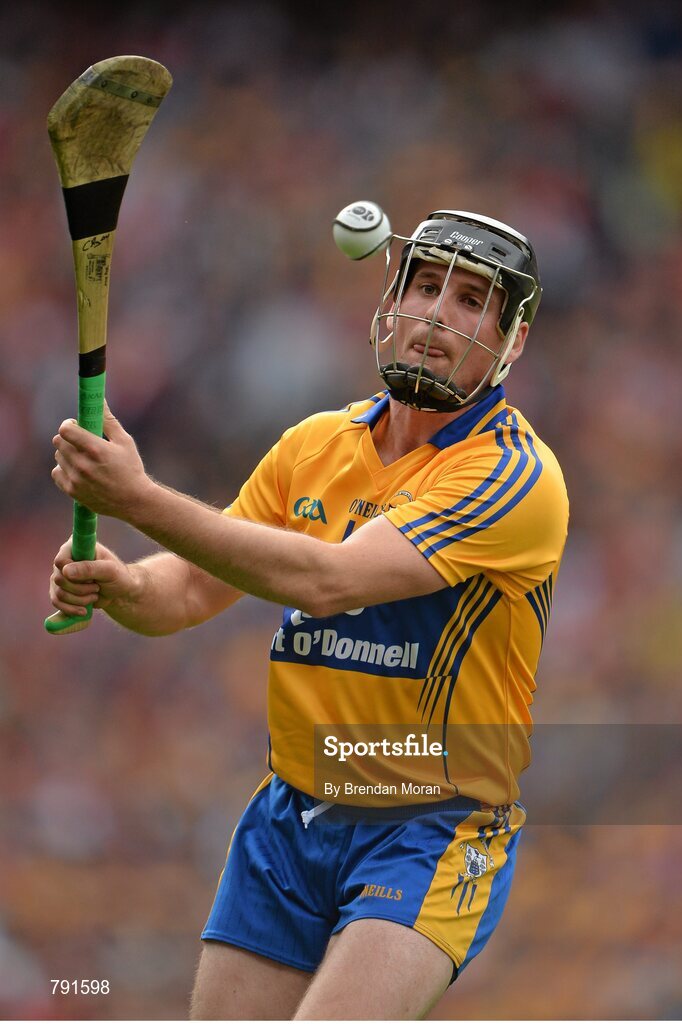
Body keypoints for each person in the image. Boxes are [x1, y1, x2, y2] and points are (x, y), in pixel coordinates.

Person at [49, 210, 568, 1020]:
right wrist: (124, 585)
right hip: (288, 817)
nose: (437, 315)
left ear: (513, 342)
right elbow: (185, 591)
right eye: (425, 286)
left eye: (471, 301)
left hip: (430, 826)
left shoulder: (513, 475)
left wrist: (138, 499)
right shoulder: (314, 445)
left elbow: (329, 581)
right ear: (388, 301)